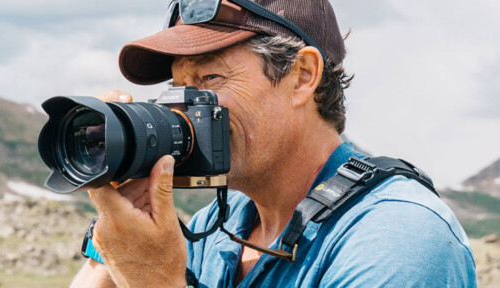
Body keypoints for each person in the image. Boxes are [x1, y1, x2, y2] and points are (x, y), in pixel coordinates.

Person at [70, 0, 477, 287]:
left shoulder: (396, 240)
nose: (181, 109)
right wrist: (118, 226)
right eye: (177, 88)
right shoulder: (214, 230)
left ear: (302, 76)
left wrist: (154, 282)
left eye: (211, 80)